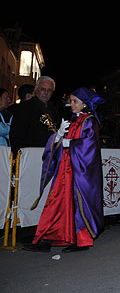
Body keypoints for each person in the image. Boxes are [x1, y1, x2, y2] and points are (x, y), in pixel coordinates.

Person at [22, 87, 105, 253]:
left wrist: (71, 144)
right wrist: (58, 137)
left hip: (78, 172)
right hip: (65, 170)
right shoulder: (73, 121)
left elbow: (90, 147)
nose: (71, 104)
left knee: (75, 205)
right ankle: (46, 238)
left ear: (84, 104)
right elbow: (61, 145)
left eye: (75, 101)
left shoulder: (89, 121)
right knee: (56, 203)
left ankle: (81, 240)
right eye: (71, 101)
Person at [10, 76, 60, 156]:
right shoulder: (24, 107)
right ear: (36, 89)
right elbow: (16, 134)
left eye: (49, 90)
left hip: (49, 153)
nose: (46, 93)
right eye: (43, 89)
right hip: (29, 153)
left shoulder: (54, 110)